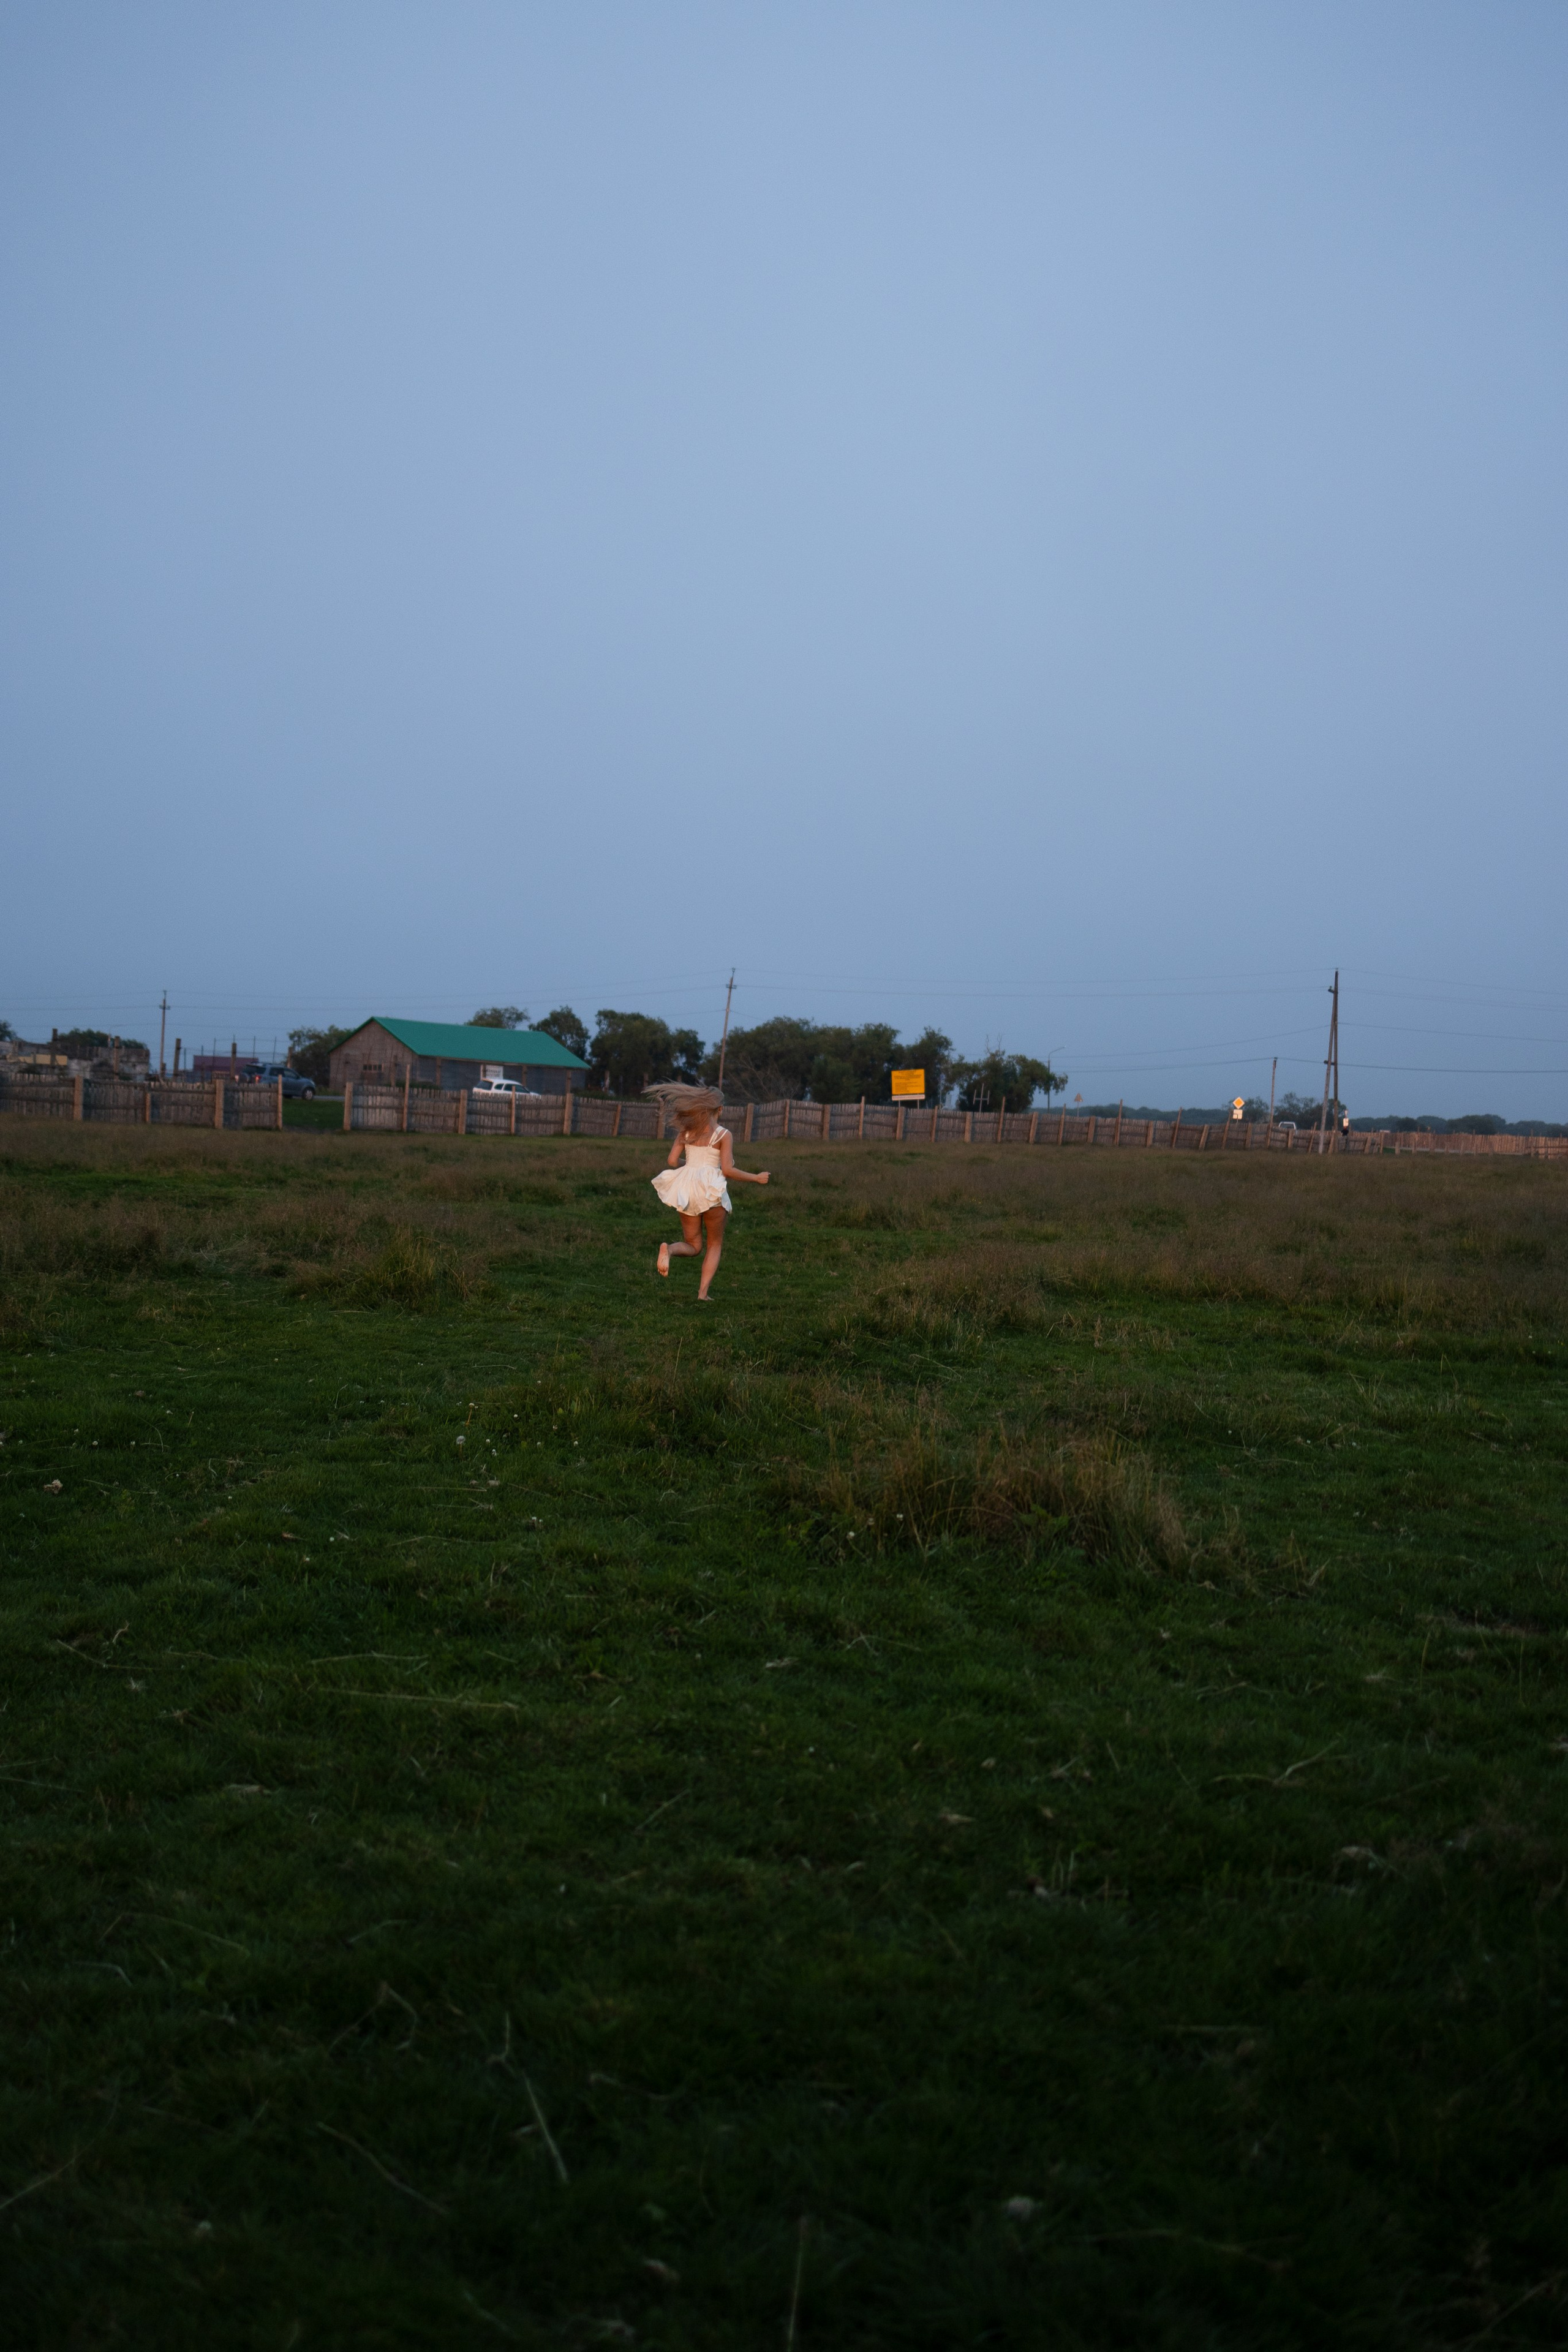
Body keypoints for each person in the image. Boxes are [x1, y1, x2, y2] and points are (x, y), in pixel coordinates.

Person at [646, 1084, 769, 1300]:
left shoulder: (686, 1131)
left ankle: (670, 1249)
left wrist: (692, 1167)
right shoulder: (724, 1135)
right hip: (712, 1191)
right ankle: (703, 1294)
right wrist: (756, 1177)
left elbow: (673, 1161)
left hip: (688, 1188)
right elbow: (728, 1170)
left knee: (694, 1245)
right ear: (719, 1109)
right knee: (714, 1244)